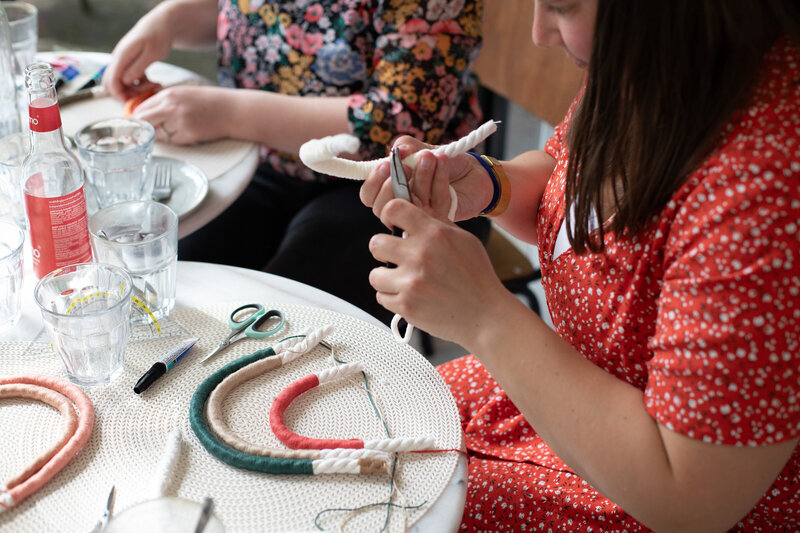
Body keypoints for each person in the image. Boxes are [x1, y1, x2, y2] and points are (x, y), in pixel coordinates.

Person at [360, 0, 800, 530]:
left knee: (376, 502)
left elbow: (690, 500)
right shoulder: (652, 68)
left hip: (645, 487)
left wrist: (485, 316)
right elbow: (566, 186)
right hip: (566, 388)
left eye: (562, 7)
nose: (540, 34)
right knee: (364, 423)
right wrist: (487, 184)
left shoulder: (767, 194)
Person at [103, 0, 489, 325]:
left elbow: (400, 121)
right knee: (161, 283)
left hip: (393, 186)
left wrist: (229, 114)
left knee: (280, 324)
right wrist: (166, 23)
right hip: (261, 161)